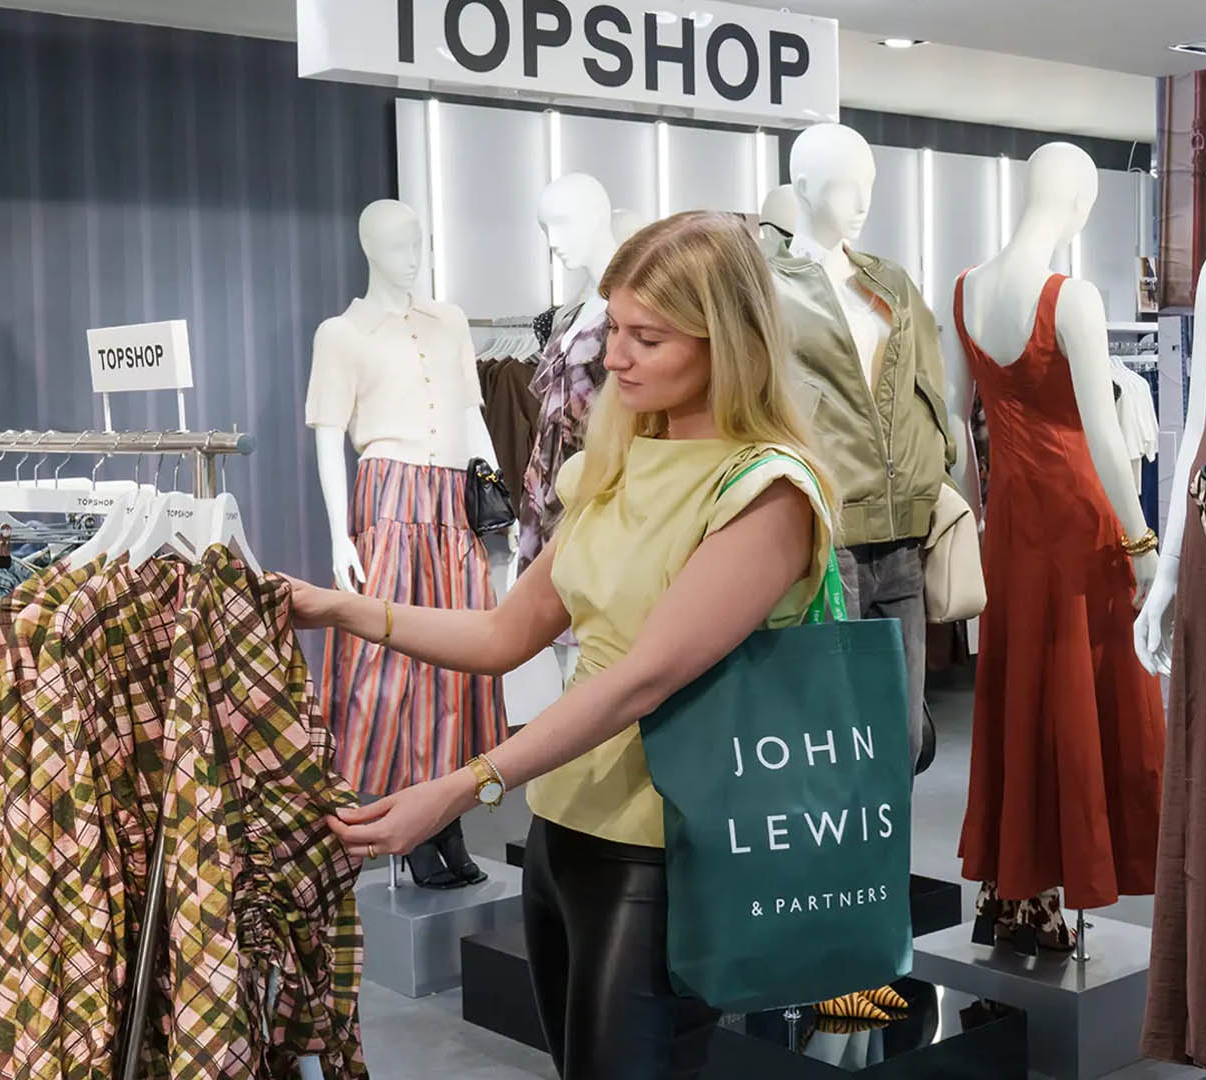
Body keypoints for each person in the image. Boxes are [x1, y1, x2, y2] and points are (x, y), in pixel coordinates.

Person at [286, 209, 837, 1079]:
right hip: (561, 834)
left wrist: (461, 787)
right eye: (614, 327)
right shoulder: (610, 468)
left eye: (645, 337)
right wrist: (346, 611)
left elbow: (639, 681)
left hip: (665, 854)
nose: (612, 357)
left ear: (726, 341)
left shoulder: (767, 493)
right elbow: (506, 634)